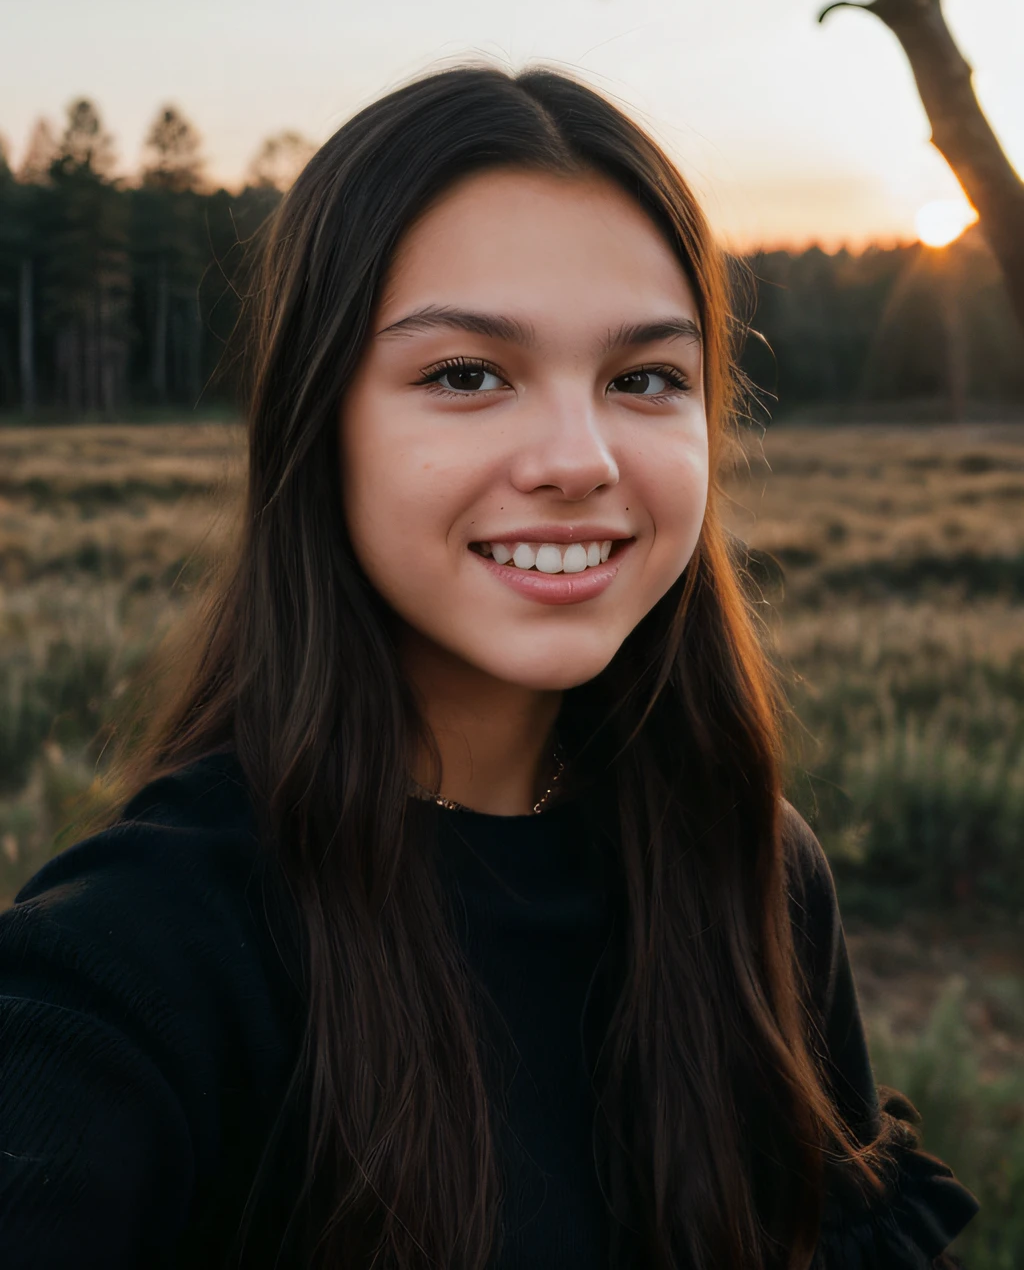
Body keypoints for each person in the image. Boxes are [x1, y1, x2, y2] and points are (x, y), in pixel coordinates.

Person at [0, 67, 977, 1270]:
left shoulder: (750, 869)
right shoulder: (135, 958)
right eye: (466, 374)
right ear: (317, 426)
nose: (578, 458)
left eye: (644, 379)